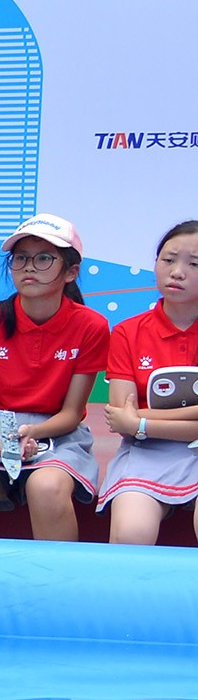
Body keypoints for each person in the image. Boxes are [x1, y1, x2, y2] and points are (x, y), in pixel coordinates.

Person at [0, 215, 110, 542]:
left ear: (71, 272)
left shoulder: (92, 326)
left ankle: (56, 590)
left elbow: (72, 413)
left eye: (44, 258)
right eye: (20, 258)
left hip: (57, 431)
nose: (29, 266)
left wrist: (34, 432)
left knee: (47, 487)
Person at [100, 219, 198, 544]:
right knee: (131, 533)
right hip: (146, 452)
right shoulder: (129, 332)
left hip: (152, 434)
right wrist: (138, 426)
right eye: (168, 260)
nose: (178, 272)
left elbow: (131, 417)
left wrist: (141, 419)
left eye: (194, 264)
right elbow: (120, 419)